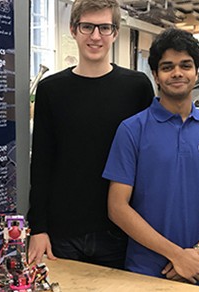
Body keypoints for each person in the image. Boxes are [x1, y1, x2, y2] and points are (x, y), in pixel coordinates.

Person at [103, 28, 199, 288]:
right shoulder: (132, 130)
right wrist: (177, 256)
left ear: (196, 72)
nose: (177, 73)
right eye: (167, 66)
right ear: (155, 75)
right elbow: (117, 207)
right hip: (147, 272)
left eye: (185, 65)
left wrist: (195, 255)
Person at [27, 0, 154, 269]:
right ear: (73, 30)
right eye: (87, 27)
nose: (95, 36)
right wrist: (38, 228)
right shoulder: (51, 90)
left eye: (104, 27)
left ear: (115, 32)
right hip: (62, 233)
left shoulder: (137, 87)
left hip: (119, 231)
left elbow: (148, 162)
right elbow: (41, 164)